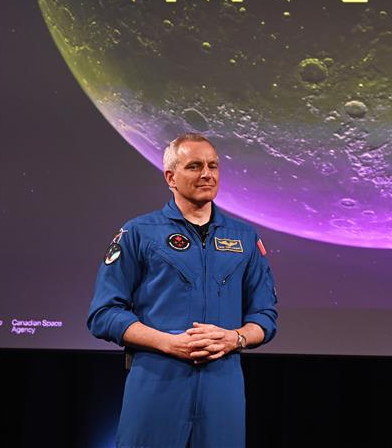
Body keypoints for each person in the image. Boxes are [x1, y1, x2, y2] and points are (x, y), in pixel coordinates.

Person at [88, 133, 278, 448]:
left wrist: (236, 337)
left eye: (213, 166)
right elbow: (104, 314)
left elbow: (265, 316)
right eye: (194, 166)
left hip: (223, 390)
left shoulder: (244, 237)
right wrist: (167, 343)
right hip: (156, 384)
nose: (207, 174)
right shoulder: (139, 233)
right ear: (171, 177)